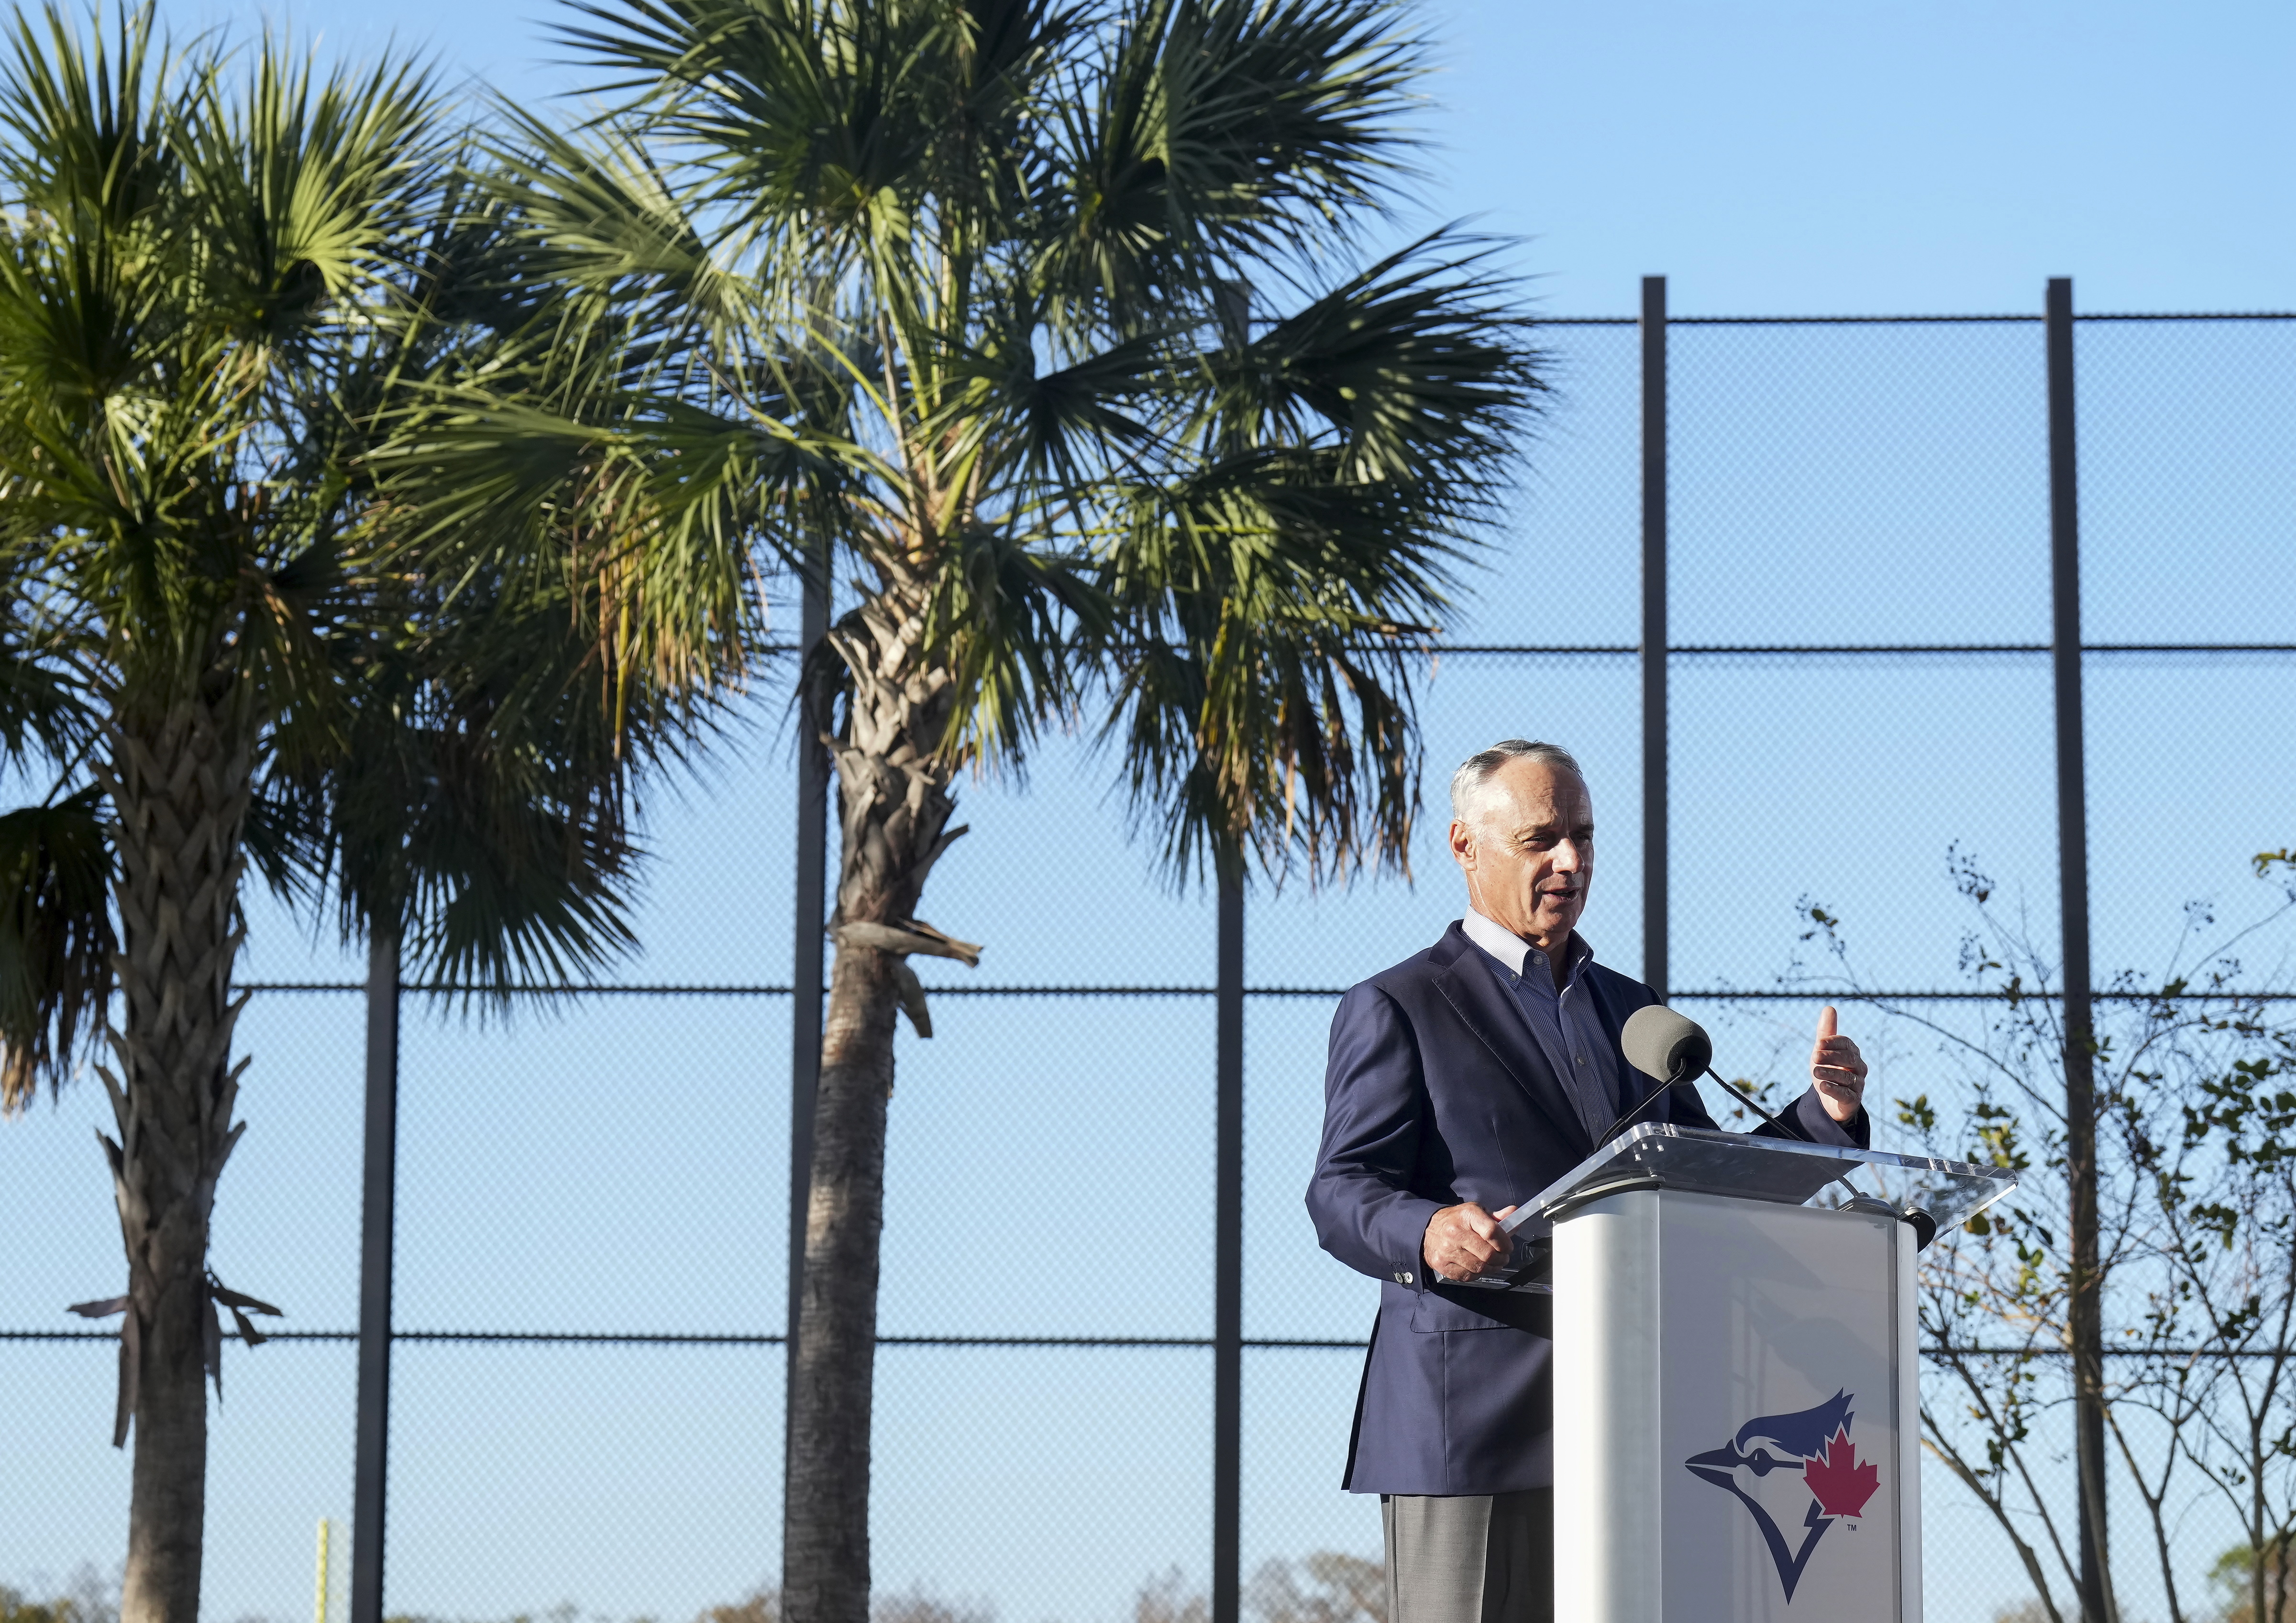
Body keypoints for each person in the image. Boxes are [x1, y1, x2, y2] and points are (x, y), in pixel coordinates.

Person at [1305, 739, 1872, 1623]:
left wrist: (1822, 1118)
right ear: (1465, 846)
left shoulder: (1633, 1010)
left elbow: (1707, 1186)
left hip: (1633, 1419)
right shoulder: (1399, 1004)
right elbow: (1341, 1190)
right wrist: (1428, 1231)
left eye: (1584, 837)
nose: (1570, 862)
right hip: (1473, 1431)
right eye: (1540, 840)